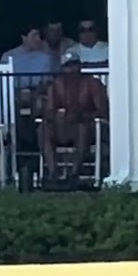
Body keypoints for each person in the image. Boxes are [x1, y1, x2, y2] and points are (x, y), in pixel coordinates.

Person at [42, 51, 109, 185]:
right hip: (62, 127)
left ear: (80, 66)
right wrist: (57, 115)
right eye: (67, 66)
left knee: (81, 128)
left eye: (74, 65)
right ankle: (53, 172)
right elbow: (49, 111)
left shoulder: (92, 83)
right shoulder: (56, 84)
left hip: (88, 127)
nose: (71, 70)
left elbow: (103, 111)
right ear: (62, 68)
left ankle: (74, 174)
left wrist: (82, 115)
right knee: (43, 130)